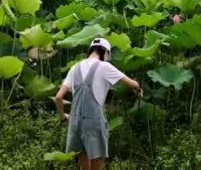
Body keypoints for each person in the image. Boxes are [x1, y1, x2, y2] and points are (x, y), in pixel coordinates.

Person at [54, 38, 143, 170]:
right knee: (97, 165)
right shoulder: (104, 66)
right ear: (106, 53)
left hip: (75, 123)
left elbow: (58, 97)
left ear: (90, 51)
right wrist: (137, 89)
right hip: (93, 123)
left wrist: (63, 117)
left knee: (83, 166)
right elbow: (132, 83)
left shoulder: (74, 68)